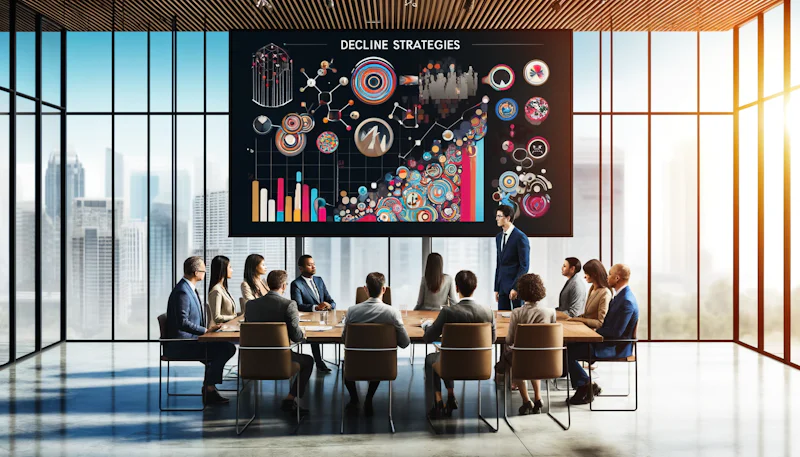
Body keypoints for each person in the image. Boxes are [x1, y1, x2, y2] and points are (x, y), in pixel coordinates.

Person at [422, 270, 496, 418]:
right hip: (479, 366)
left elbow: (428, 337)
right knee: (447, 355)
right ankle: (450, 396)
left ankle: (438, 401)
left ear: (456, 288)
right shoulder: (488, 312)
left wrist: (426, 326)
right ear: (475, 288)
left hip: (452, 365)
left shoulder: (449, 312)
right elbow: (492, 340)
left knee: (432, 359)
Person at [165, 256, 236, 405]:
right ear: (196, 272)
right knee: (225, 349)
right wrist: (206, 330)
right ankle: (209, 389)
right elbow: (183, 322)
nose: (205, 274)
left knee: (223, 348)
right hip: (181, 345)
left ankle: (209, 387)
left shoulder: (187, 289)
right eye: (203, 271)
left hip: (191, 340)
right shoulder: (182, 292)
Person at [566, 264, 639, 405]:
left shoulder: (627, 301)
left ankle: (585, 386)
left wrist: (594, 332)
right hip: (608, 342)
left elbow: (616, 333)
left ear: (617, 278)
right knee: (568, 346)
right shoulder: (621, 296)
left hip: (615, 347)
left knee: (567, 352)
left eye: (610, 274)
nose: (607, 276)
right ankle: (586, 384)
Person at [245, 270, 313, 414]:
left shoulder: (250, 305)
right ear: (283, 285)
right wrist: (303, 333)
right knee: (308, 361)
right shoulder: (289, 304)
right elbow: (296, 337)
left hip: (253, 361)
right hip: (281, 361)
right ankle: (290, 398)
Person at [341, 272, 410, 416]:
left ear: (365, 289)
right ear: (384, 289)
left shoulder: (352, 312)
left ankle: (354, 399)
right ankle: (369, 398)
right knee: (378, 357)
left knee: (345, 364)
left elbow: (344, 339)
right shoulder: (392, 313)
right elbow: (405, 343)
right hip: (383, 366)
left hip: (354, 366)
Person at [496, 273, 556, 415]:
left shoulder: (516, 313)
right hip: (545, 359)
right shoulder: (550, 312)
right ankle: (538, 397)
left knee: (515, 356)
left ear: (521, 291)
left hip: (521, 359)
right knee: (534, 357)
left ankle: (526, 400)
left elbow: (509, 339)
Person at [290, 255, 337, 373]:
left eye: (314, 264)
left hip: (324, 318)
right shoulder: (296, 284)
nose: (313, 266)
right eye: (309, 265)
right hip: (308, 320)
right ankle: (319, 362)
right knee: (314, 336)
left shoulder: (319, 280)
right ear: (301, 268)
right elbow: (298, 305)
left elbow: (331, 300)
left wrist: (330, 305)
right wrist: (316, 307)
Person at [494, 205, 530, 311]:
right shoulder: (499, 237)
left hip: (515, 287)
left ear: (508, 218)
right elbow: (499, 264)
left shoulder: (520, 237)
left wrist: (516, 287)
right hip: (502, 288)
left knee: (518, 319)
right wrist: (497, 288)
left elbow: (524, 266)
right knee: (501, 319)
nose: (497, 219)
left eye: (499, 216)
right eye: (497, 216)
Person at [568, 259, 612, 329]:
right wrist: (573, 318)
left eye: (586, 273)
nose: (584, 276)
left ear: (594, 274)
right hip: (585, 329)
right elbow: (587, 315)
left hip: (593, 333)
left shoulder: (605, 293)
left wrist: (579, 320)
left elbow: (600, 323)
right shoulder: (592, 288)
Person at [208, 255, 238, 323]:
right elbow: (216, 317)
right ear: (223, 268)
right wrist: (234, 317)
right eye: (230, 267)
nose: (232, 270)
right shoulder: (216, 290)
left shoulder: (223, 288)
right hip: (220, 330)